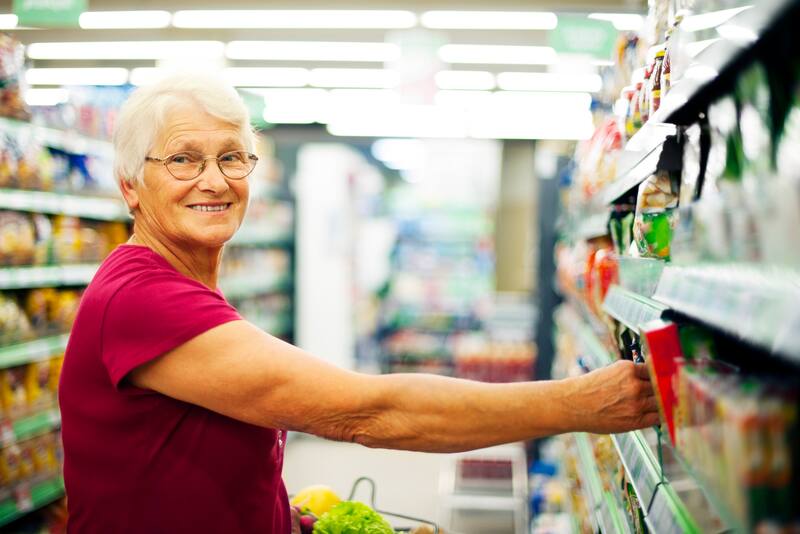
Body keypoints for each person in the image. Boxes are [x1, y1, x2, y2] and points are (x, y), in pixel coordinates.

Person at [58, 73, 659, 534]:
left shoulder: (178, 285)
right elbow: (366, 413)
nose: (214, 180)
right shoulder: (141, 299)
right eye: (183, 159)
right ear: (130, 185)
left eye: (232, 156)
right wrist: (580, 402)